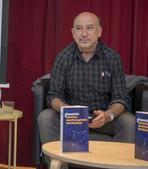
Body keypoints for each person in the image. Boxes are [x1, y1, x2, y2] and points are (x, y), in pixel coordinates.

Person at [37, 11, 135, 164]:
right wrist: (68, 111)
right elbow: (53, 95)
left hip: (103, 119)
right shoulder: (63, 57)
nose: (84, 34)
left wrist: (108, 115)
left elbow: (121, 98)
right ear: (73, 33)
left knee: (128, 121)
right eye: (78, 28)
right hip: (71, 118)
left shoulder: (112, 58)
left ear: (99, 31)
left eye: (89, 28)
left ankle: (121, 166)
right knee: (46, 117)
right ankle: (57, 166)